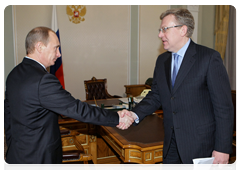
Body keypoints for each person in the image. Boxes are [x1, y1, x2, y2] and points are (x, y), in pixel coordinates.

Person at [4, 26, 133, 170]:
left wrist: (13, 145)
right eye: (56, 48)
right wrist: (116, 118)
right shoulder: (43, 80)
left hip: (16, 156)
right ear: (39, 47)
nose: (59, 54)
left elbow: (8, 115)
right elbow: (77, 109)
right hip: (38, 160)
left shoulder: (13, 74)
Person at [121, 8, 234, 170]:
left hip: (200, 145)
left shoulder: (209, 58)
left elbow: (224, 108)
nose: (160, 35)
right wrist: (133, 114)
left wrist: (223, 148)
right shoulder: (162, 61)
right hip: (171, 143)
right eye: (160, 30)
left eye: (165, 29)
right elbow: (156, 96)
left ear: (183, 30)